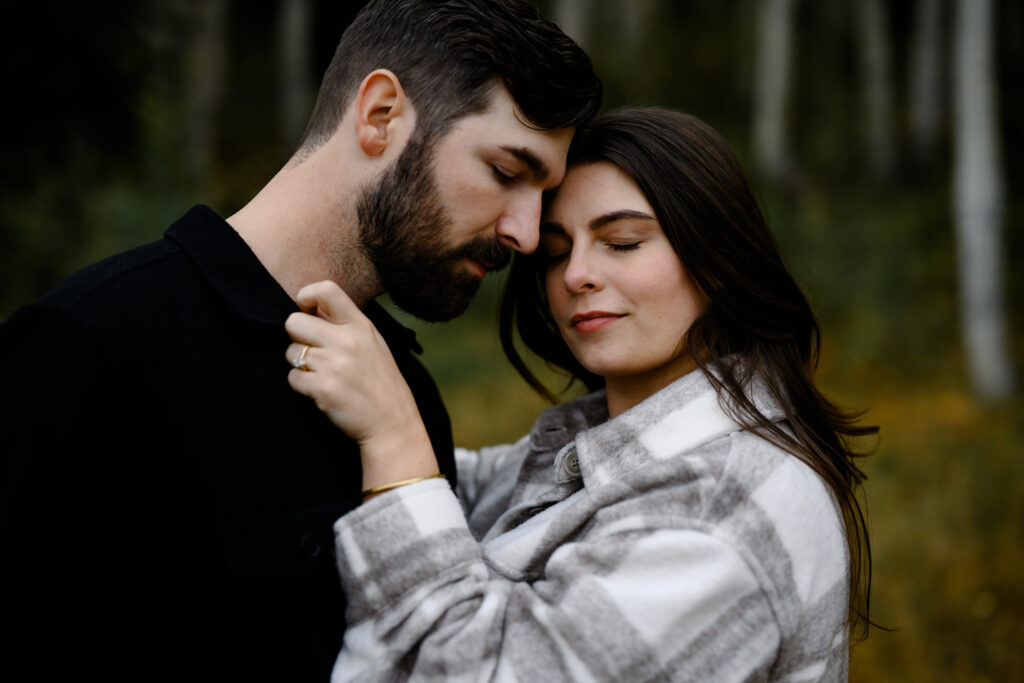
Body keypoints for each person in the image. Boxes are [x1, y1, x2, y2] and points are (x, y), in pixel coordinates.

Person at [0, 1, 600, 680]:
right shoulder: (91, 346)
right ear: (380, 115)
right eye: (507, 171)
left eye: (543, 194)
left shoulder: (403, 400)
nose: (526, 232)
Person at [285, 107, 877, 681]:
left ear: (717, 261)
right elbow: (459, 492)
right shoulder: (608, 446)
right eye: (556, 252)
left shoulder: (719, 515)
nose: (575, 276)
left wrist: (394, 438)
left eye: (621, 242)